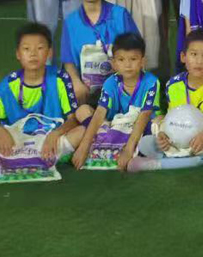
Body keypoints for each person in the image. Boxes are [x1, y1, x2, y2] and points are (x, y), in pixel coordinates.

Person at [129, 29, 203, 172]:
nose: (199, 61)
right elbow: (172, 119)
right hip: (180, 137)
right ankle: (181, 156)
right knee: (145, 142)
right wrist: (164, 135)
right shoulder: (173, 85)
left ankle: (160, 163)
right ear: (183, 57)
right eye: (194, 54)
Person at [0, 23, 81, 164]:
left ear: (49, 53)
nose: (33, 54)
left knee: (81, 131)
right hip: (18, 139)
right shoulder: (9, 83)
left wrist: (56, 134)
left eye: (40, 48)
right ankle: (51, 155)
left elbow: (73, 120)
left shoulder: (59, 78)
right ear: (18, 54)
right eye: (26, 49)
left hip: (50, 137)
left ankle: (17, 157)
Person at [60, 0, 140, 117]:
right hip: (86, 92)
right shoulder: (71, 22)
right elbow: (68, 61)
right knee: (81, 114)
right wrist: (76, 82)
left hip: (120, 87)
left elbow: (137, 52)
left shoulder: (120, 15)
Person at [68, 32, 158, 172]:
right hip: (113, 124)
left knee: (159, 122)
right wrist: (84, 146)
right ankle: (105, 135)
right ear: (114, 64)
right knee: (82, 110)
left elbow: (144, 116)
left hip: (141, 125)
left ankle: (111, 140)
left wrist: (128, 150)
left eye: (133, 59)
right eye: (121, 59)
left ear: (142, 62)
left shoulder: (151, 82)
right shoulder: (111, 82)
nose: (127, 65)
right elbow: (99, 114)